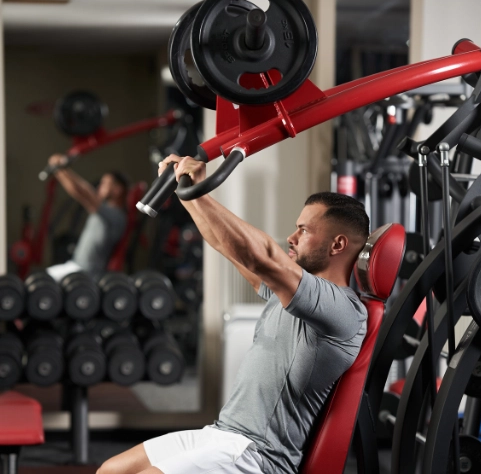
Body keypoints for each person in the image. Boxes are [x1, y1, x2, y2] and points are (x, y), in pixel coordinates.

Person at [98, 154, 370, 474]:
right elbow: (226, 245)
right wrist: (184, 190)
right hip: (221, 434)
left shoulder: (343, 310)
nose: (292, 238)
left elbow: (263, 256)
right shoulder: (290, 293)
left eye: (304, 230)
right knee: (110, 471)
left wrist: (200, 192)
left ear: (338, 245)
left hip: (259, 457)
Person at [45, 153, 128, 281]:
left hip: (87, 274)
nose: (100, 187)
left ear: (118, 190)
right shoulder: (103, 211)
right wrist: (59, 170)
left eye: (105, 184)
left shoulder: (116, 216)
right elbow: (78, 193)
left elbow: (82, 192)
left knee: (43, 283)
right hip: (76, 267)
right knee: (40, 279)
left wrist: (60, 169)